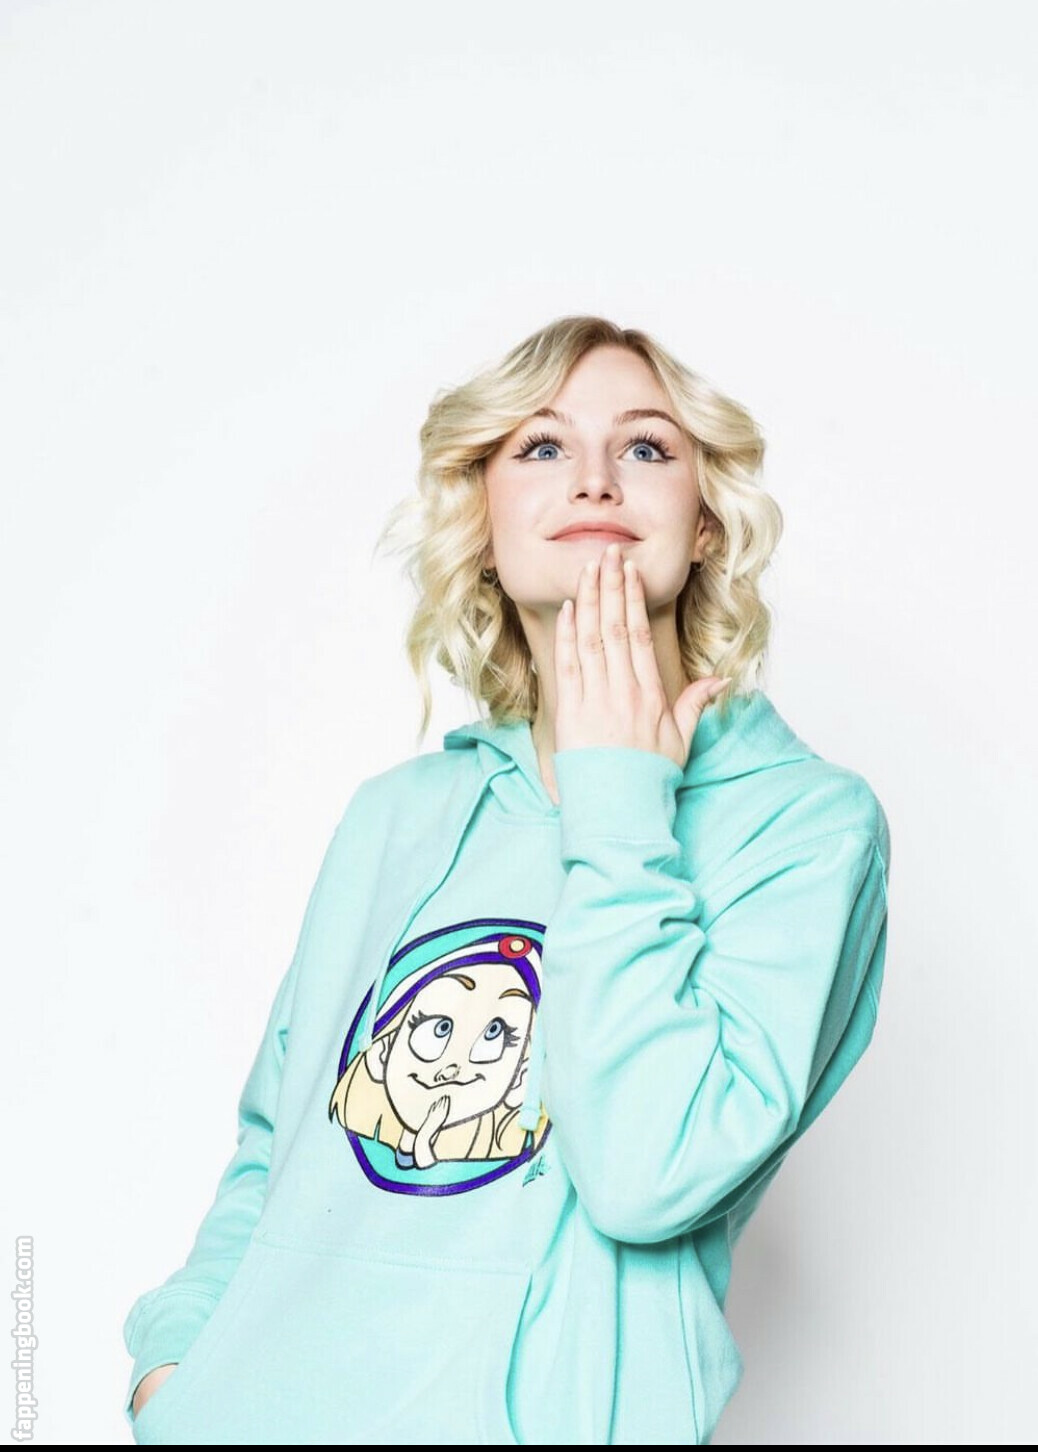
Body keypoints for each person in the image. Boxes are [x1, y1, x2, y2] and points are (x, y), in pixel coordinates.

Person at [122, 315, 892, 1445]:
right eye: (540, 446)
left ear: (708, 522)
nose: (593, 478)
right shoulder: (400, 816)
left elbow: (647, 1171)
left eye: (645, 446)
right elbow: (277, 1149)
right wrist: (174, 1371)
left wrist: (619, 798)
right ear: (483, 526)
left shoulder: (805, 827)